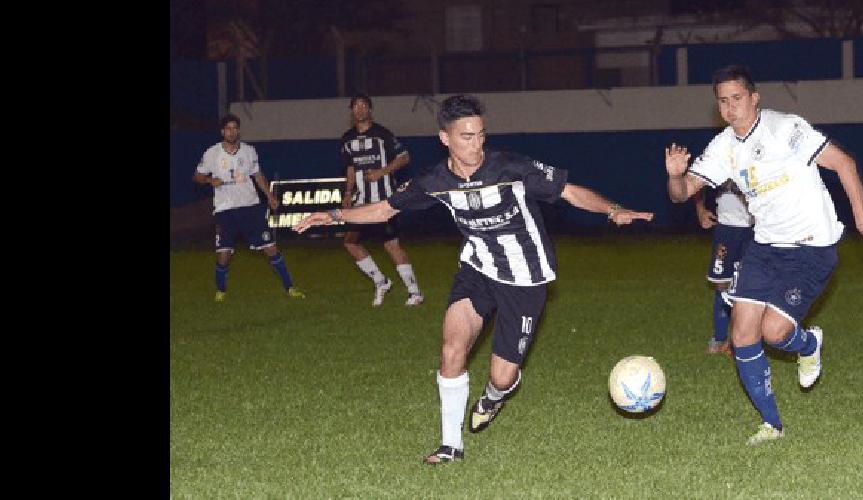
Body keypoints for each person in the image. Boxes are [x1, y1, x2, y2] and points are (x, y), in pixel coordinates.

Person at [293, 94, 654, 464]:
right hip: (478, 269)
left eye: (481, 135)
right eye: (466, 136)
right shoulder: (435, 180)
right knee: (452, 350)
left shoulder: (510, 167)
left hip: (525, 277)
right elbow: (386, 208)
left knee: (501, 377)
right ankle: (451, 446)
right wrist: (334, 215)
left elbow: (568, 191)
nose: (476, 144)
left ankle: (495, 396)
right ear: (445, 138)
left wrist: (613, 209)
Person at [664, 65, 863, 444]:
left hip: (811, 247)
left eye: (737, 98)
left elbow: (844, 163)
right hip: (764, 246)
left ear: (754, 98)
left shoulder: (786, 129)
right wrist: (676, 175)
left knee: (775, 332)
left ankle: (809, 344)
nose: (730, 108)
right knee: (742, 332)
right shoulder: (723, 148)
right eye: (723, 101)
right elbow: (682, 192)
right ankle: (772, 424)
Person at [193, 113, 305, 302]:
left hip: (250, 208)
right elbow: (197, 176)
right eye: (228, 128)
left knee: (271, 248)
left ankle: (290, 287)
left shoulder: (249, 151)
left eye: (235, 128)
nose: (232, 131)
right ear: (222, 131)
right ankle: (221, 291)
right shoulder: (211, 153)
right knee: (224, 256)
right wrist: (210, 179)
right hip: (224, 210)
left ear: (238, 130)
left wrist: (269, 196)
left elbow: (258, 175)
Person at [340, 93, 424, 306]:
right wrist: (348, 193)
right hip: (360, 202)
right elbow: (350, 169)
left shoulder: (382, 134)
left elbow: (404, 157)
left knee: (391, 244)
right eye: (355, 107)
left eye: (363, 106)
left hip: (382, 201)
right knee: (350, 242)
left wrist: (382, 172)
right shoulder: (347, 138)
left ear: (370, 110)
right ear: (352, 111)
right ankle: (381, 281)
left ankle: (414, 292)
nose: (359, 110)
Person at [693, 181, 753, 355]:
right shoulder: (720, 155)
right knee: (722, 284)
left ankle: (740, 339)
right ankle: (719, 337)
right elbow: (697, 182)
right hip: (726, 231)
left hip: (754, 231)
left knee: (747, 286)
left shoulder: (760, 156)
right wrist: (700, 210)